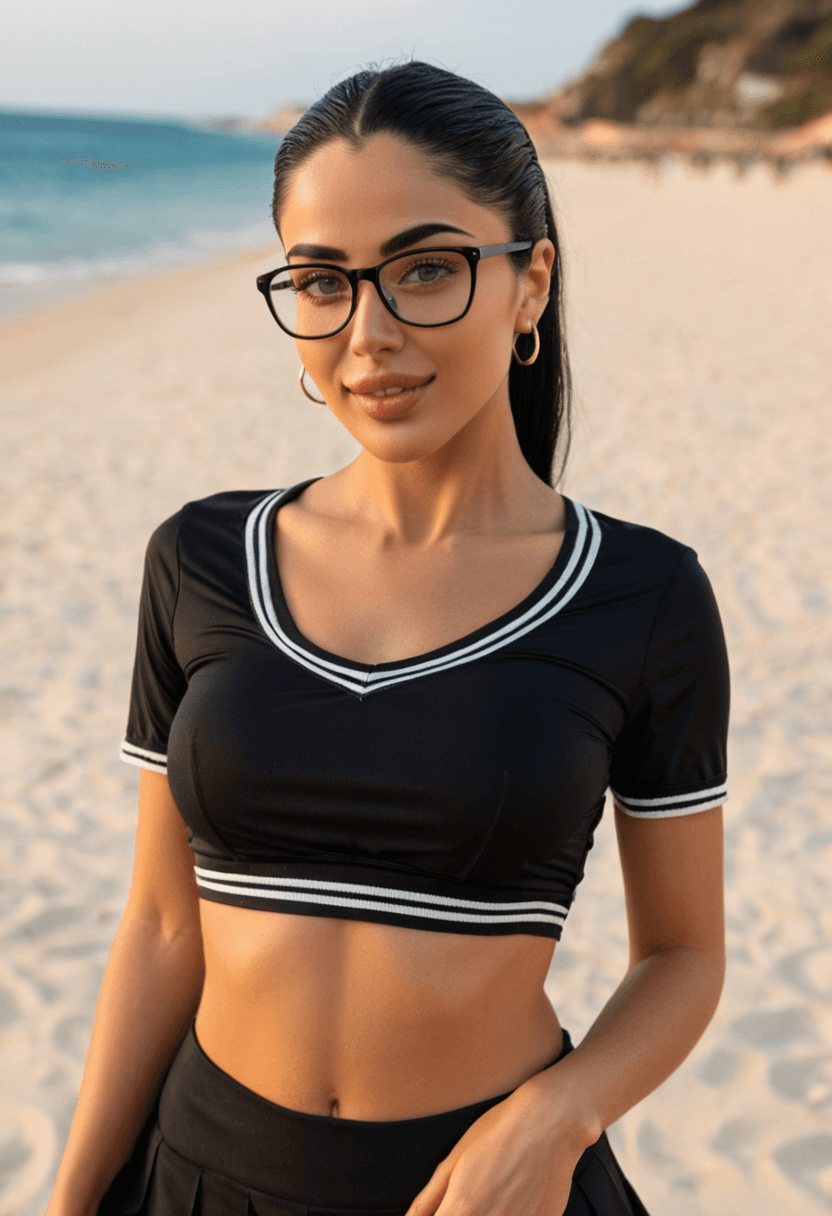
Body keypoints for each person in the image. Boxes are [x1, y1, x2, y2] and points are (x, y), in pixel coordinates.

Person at [46, 60, 729, 1216]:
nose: (369, 335)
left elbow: (684, 954)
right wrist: (70, 1198)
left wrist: (558, 1117)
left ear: (529, 283)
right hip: (200, 1177)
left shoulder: (639, 595)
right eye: (322, 281)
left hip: (486, 1193)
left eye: (425, 269)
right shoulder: (203, 559)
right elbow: (162, 924)